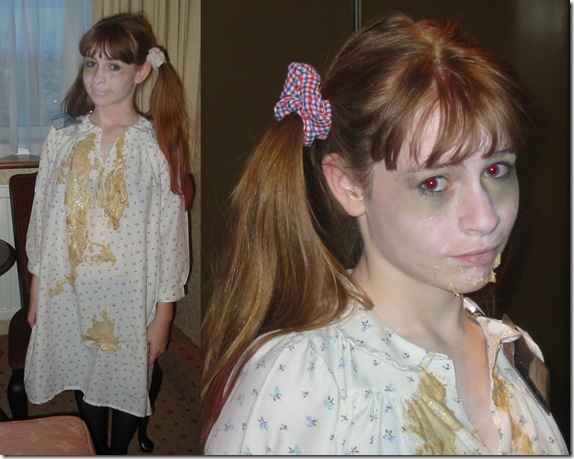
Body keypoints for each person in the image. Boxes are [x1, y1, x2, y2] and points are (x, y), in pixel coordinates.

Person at [201, 13, 567, 455]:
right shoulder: (304, 382)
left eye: (496, 170)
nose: (485, 218)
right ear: (349, 186)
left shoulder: (515, 352)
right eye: (434, 182)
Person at [24, 13, 192, 455]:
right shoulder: (62, 137)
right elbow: (43, 215)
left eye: (113, 66)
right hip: (69, 288)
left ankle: (119, 451)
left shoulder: (157, 144)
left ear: (141, 72)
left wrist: (164, 314)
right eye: (91, 64)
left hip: (130, 292)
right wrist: (37, 287)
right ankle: (96, 447)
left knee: (128, 376)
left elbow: (171, 234)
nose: (98, 77)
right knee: (86, 371)